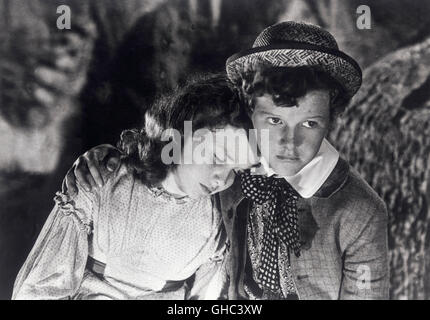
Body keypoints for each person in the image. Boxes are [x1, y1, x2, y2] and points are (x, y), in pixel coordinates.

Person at [63, 21, 389, 299]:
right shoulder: (227, 166)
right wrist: (106, 159)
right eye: (274, 120)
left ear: (331, 118)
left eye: (310, 123)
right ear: (249, 108)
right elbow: (168, 144)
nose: (290, 143)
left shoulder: (360, 212)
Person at [12, 74, 260, 300]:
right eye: (217, 158)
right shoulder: (102, 181)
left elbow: (205, 296)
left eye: (235, 170)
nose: (221, 180)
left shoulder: (216, 218)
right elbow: (40, 288)